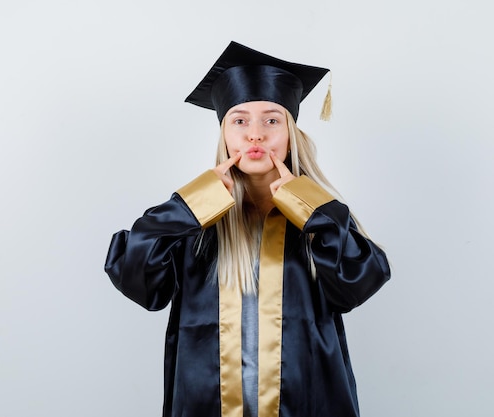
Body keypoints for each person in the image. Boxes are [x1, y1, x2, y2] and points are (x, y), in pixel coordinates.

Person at [104, 41, 391, 417]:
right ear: (224, 133)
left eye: (272, 120)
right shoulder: (194, 225)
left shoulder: (318, 221)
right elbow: (137, 281)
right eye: (240, 120)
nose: (255, 134)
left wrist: (307, 205)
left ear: (290, 133)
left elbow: (360, 282)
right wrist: (191, 204)